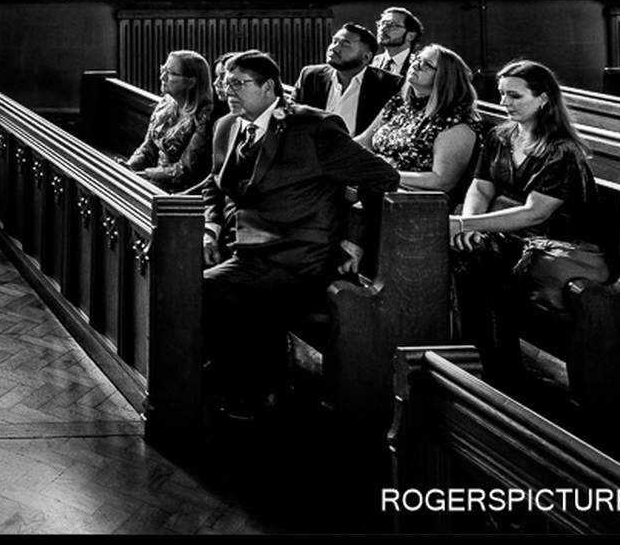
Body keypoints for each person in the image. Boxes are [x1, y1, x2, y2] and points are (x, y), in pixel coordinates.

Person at [201, 51, 401, 415]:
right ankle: (246, 383)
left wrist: (354, 240)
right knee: (180, 273)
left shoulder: (314, 128)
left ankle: (251, 390)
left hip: (300, 256)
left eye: (238, 83)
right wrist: (210, 228)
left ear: (268, 87)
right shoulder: (226, 126)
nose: (228, 91)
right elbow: (214, 185)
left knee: (206, 290)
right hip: (243, 249)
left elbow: (382, 177)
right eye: (225, 83)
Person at [448, 59, 608, 385]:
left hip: (552, 238)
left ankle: (498, 371)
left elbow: (537, 212)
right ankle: (467, 352)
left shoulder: (561, 150)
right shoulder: (500, 136)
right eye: (502, 94)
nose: (505, 103)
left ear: (543, 99)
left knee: (480, 256)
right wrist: (470, 221)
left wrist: (466, 227)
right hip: (508, 229)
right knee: (462, 250)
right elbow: (481, 185)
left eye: (515, 96)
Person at [357, 44, 484, 203]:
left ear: (444, 78)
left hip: (417, 204)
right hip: (381, 187)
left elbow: (442, 181)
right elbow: (365, 140)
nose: (416, 65)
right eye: (417, 59)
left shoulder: (455, 121)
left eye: (428, 65)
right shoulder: (400, 103)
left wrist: (381, 172)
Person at [127, 50, 218, 192]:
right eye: (163, 69)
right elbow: (149, 146)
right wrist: (130, 166)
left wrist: (145, 174)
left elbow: (186, 169)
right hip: (154, 180)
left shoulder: (206, 114)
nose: (162, 76)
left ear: (191, 82)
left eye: (171, 73)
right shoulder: (167, 102)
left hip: (181, 191)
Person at [292, 22, 402, 137]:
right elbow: (291, 112)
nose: (334, 48)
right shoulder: (311, 75)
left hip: (358, 152)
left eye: (345, 45)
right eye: (334, 41)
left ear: (366, 57)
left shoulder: (389, 84)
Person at [371, 7, 423, 77]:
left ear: (410, 36)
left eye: (391, 25)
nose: (382, 29)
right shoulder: (372, 62)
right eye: (381, 24)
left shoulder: (418, 66)